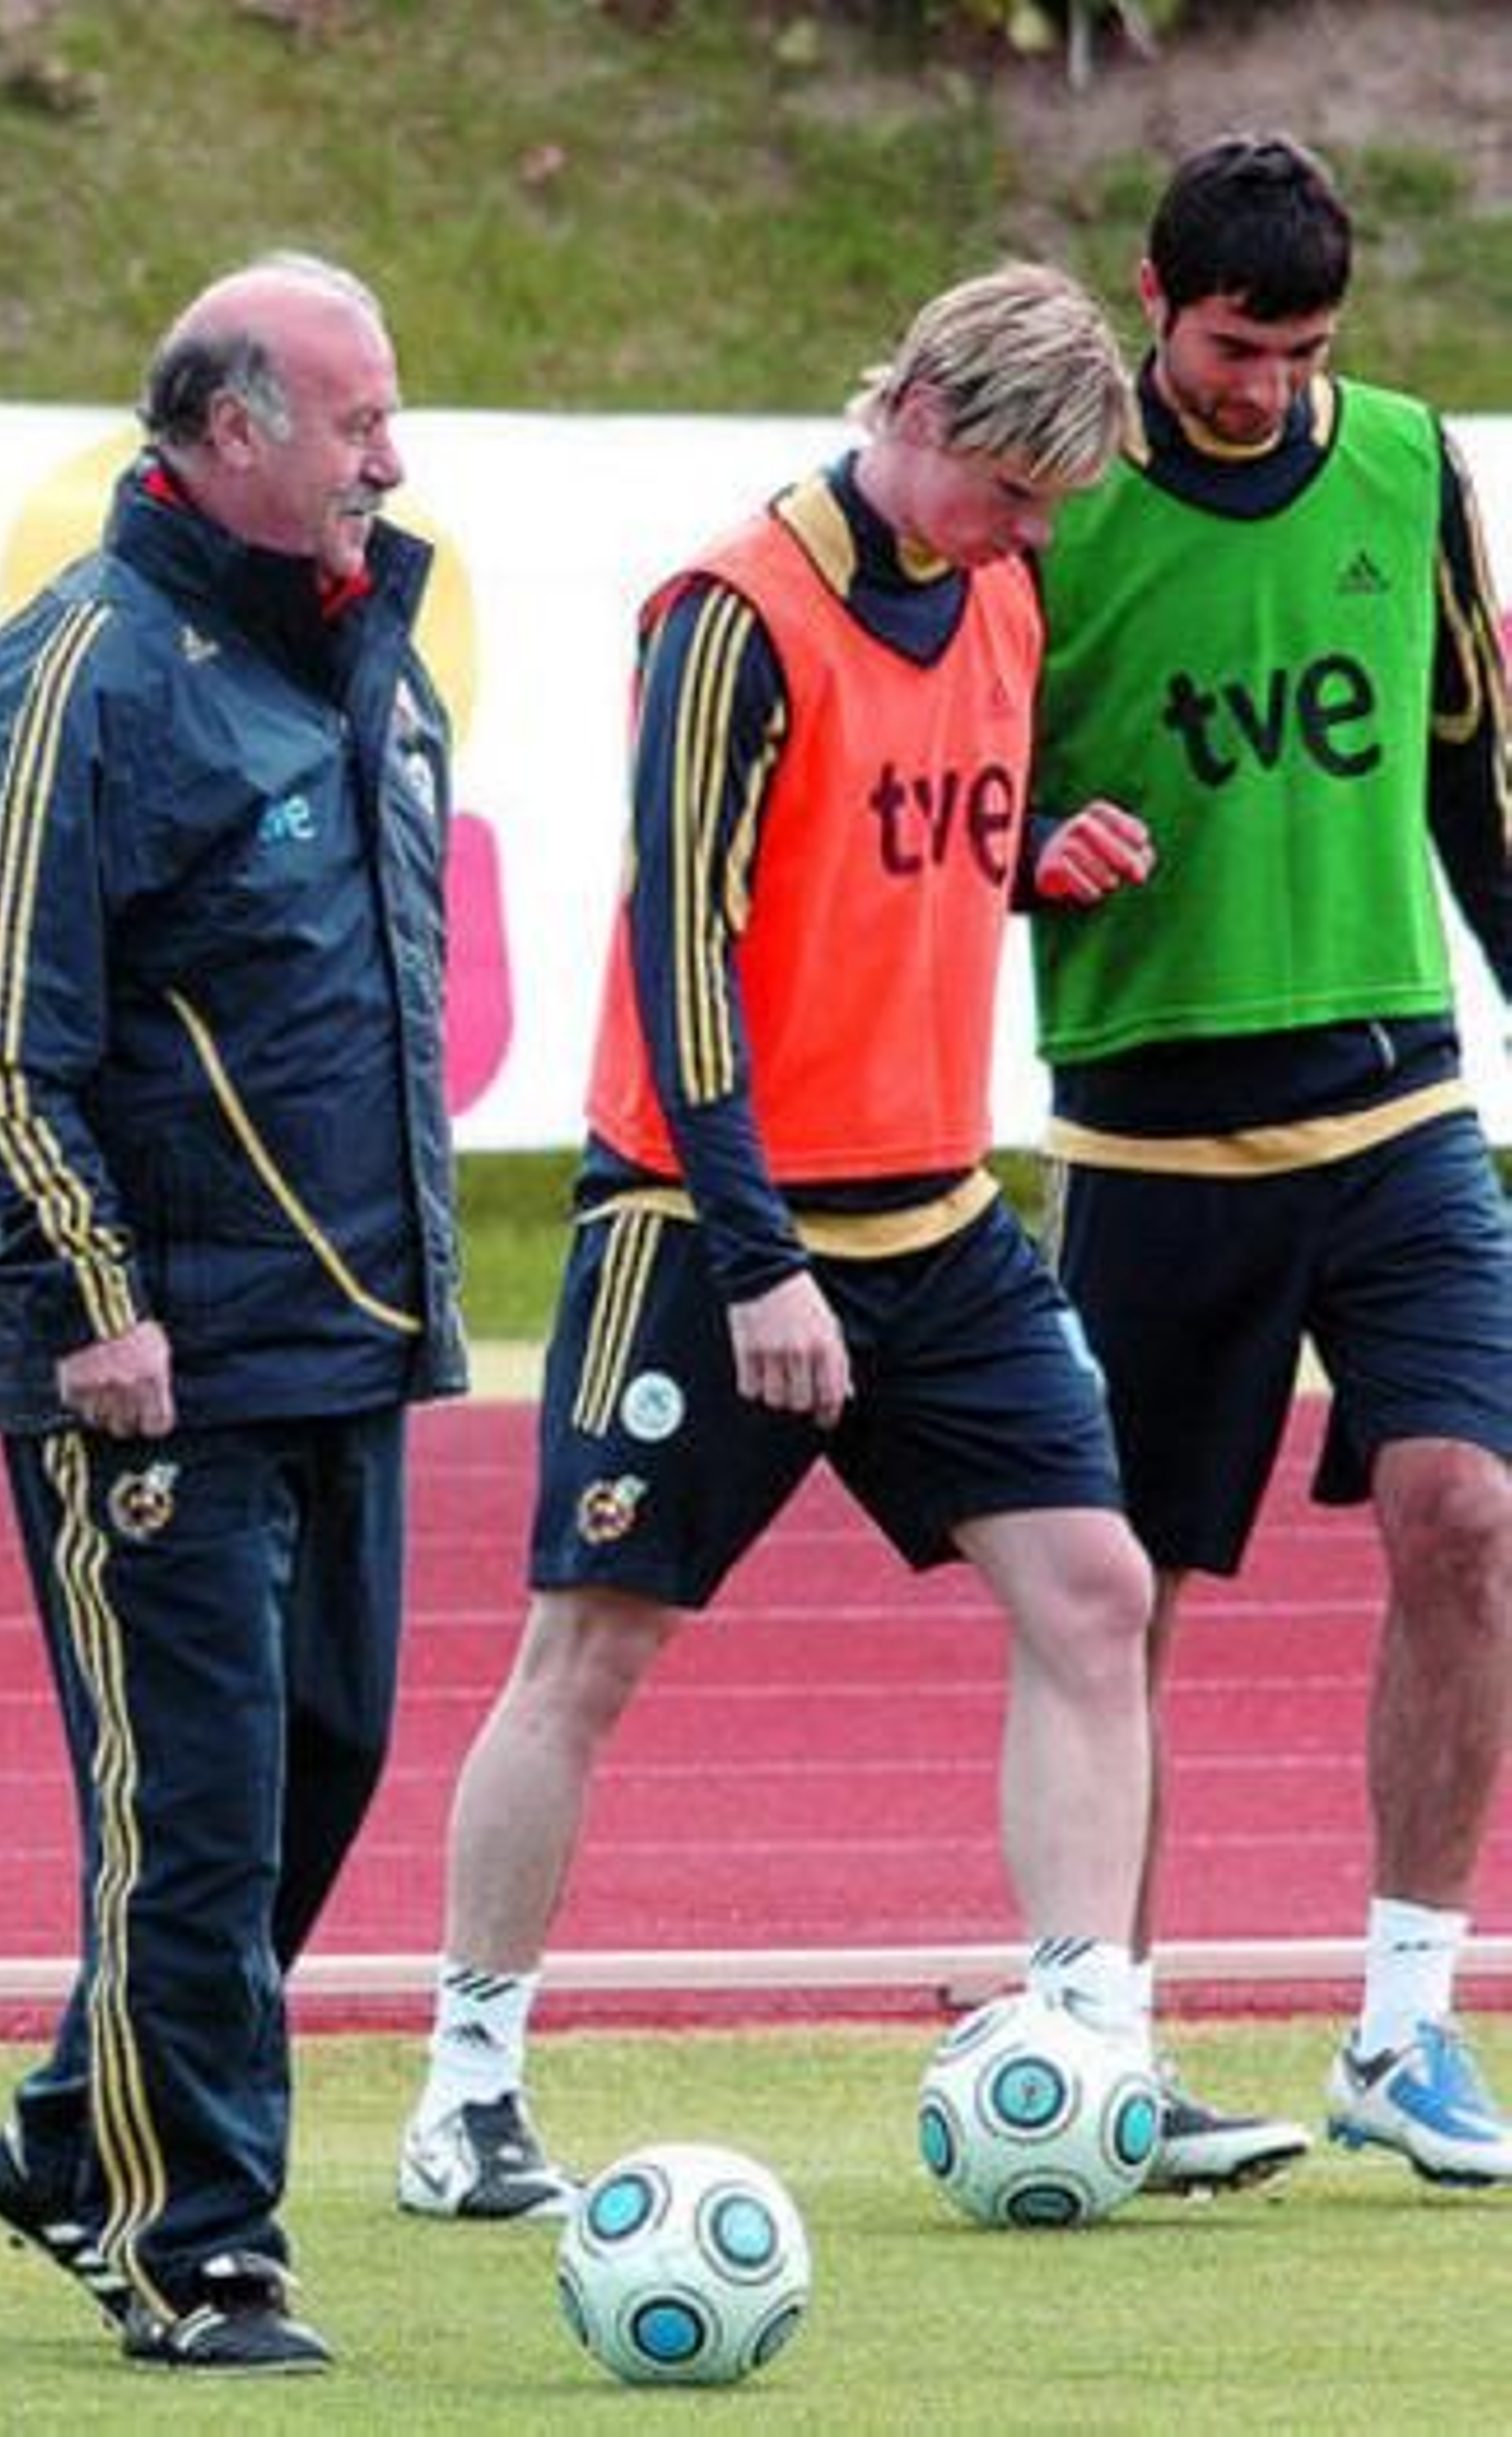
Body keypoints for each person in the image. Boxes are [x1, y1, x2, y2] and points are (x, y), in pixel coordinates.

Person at [397, 262, 1159, 2223]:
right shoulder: (730, 615)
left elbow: (889, 847)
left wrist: (1026, 854)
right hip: (703, 1214)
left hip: (933, 1204)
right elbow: (682, 955)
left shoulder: (997, 584)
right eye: (1008, 485)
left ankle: (1091, 2055)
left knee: (1091, 1588)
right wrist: (755, 1260)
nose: (1029, 530)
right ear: (909, 403)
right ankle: (463, 2083)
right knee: (590, 1647)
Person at [0, 253, 466, 2372]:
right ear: (230, 427)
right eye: (356, 422)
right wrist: (91, 1302)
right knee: (196, 1811)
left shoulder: (364, 659)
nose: (390, 458)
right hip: (152, 1365)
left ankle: (77, 2131)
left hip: (349, 1331)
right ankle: (197, 2246)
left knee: (321, 1768)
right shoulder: (78, 669)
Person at [1027, 132, 1512, 2196]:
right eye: (1233, 346)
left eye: (1300, 346)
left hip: (1398, 1107)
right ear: (1153, 297)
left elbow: (1470, 768)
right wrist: (1021, 857)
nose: (1263, 383)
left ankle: (1404, 2024)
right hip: (1149, 1121)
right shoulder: (1052, 497)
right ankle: (1108, 2041)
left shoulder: (1404, 469)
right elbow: (960, 781)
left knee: (1466, 1510)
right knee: (1128, 1592)